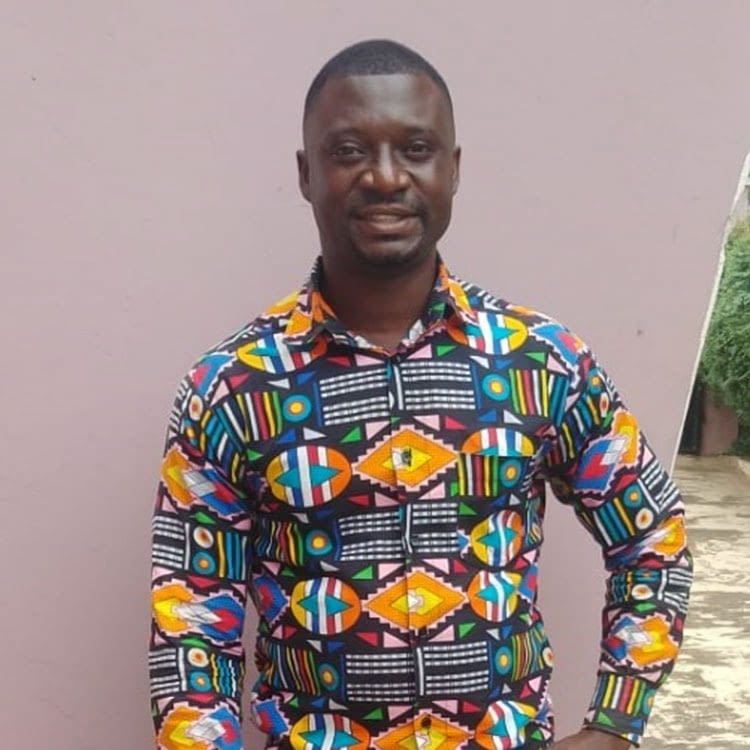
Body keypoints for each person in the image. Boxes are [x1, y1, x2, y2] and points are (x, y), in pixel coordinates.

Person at [149, 39, 692, 750]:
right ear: (306, 173)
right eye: (348, 151)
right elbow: (191, 616)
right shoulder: (231, 388)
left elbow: (653, 537)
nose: (383, 178)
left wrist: (615, 727)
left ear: (453, 170)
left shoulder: (542, 361)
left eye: (415, 148)